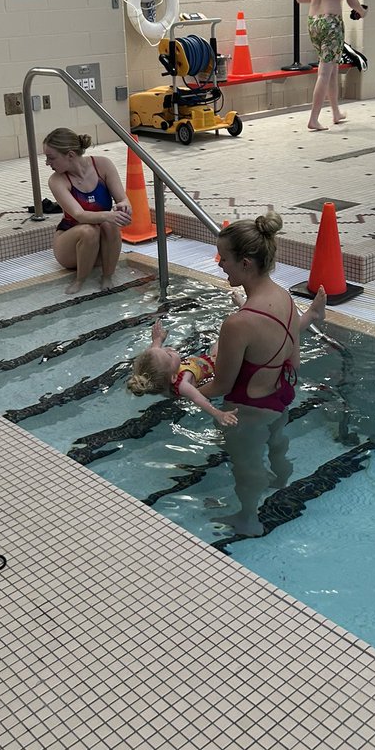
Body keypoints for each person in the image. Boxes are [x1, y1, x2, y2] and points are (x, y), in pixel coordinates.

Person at [197, 215, 325, 537]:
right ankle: (281, 481)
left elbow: (222, 385)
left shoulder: (238, 323)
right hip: (279, 395)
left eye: (223, 258)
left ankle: (249, 520)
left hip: (248, 411)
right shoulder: (284, 296)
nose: (220, 264)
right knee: (277, 445)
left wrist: (185, 388)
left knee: (247, 467)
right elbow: (293, 360)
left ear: (244, 263)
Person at [43, 128, 132, 294]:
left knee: (109, 226)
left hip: (100, 248)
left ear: (70, 155)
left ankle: (107, 276)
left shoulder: (103, 165)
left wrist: (125, 207)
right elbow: (79, 215)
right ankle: (80, 280)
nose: (47, 162)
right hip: (70, 248)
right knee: (88, 230)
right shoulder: (57, 180)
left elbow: (124, 199)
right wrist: (110, 215)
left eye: (51, 157)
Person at [297, 0, 367, 130]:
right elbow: (352, 0)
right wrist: (362, 11)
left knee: (332, 67)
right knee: (325, 72)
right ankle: (313, 118)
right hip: (331, 23)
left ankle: (336, 112)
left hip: (314, 22)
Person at [126, 320, 239, 426]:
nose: (169, 349)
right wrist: (218, 414)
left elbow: (153, 354)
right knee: (228, 338)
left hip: (205, 361)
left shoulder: (154, 375)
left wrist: (157, 340)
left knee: (224, 339)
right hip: (217, 365)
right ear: (174, 377)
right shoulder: (183, 384)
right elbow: (199, 399)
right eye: (169, 355)